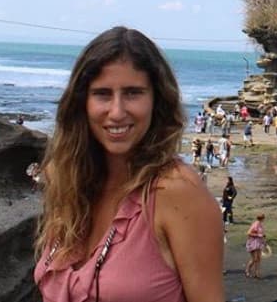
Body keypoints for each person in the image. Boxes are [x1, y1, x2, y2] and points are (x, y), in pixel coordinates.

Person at [33, 26, 224, 302]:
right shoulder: (68, 182)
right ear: (81, 103)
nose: (117, 112)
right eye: (102, 94)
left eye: (133, 93)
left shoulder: (177, 192)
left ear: (156, 100)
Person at [245, 213, 266, 278]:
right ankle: (247, 270)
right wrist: (258, 235)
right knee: (254, 259)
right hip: (253, 243)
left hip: (259, 243)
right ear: (262, 218)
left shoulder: (260, 224)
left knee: (259, 259)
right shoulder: (255, 224)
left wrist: (264, 241)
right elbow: (248, 233)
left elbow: (261, 234)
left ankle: (256, 273)